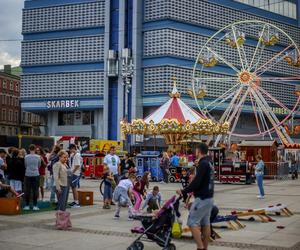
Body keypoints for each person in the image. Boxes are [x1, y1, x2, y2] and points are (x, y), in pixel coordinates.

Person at [176, 143, 214, 250]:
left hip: (201, 198)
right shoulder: (209, 163)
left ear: (198, 151)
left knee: (192, 222)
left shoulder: (203, 164)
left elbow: (196, 182)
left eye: (196, 150)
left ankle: (200, 247)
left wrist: (183, 191)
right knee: (206, 223)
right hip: (209, 198)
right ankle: (205, 247)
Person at [24, 144, 41, 211]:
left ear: (29, 149)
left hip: (28, 174)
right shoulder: (38, 157)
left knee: (27, 190)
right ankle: (35, 205)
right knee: (35, 190)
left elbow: (25, 165)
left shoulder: (26, 157)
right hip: (36, 174)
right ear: (35, 149)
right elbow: (39, 165)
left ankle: (27, 205)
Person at [68, 144, 82, 208]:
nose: (69, 150)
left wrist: (72, 172)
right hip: (72, 172)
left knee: (74, 188)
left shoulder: (77, 155)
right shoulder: (72, 155)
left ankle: (77, 202)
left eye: (70, 149)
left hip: (76, 173)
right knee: (73, 187)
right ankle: (75, 201)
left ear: (73, 148)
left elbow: (77, 165)